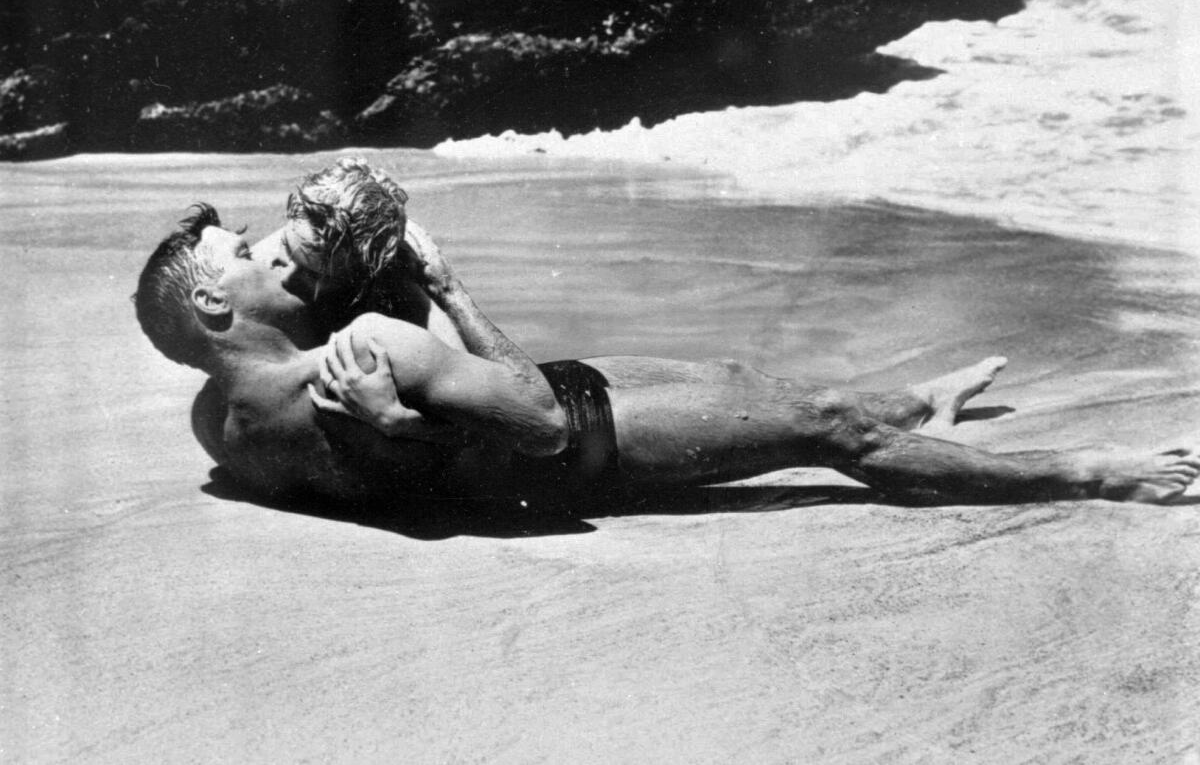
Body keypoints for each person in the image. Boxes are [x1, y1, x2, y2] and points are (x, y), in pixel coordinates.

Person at [134, 202, 1200, 510]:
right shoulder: (369, 345)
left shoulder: (215, 428)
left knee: (760, 390)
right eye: (260, 251)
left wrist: (399, 431)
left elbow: (372, 479)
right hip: (580, 440)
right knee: (832, 433)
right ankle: (1092, 471)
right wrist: (448, 289)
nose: (283, 247)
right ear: (219, 302)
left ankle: (923, 402)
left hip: (502, 429)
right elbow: (541, 419)